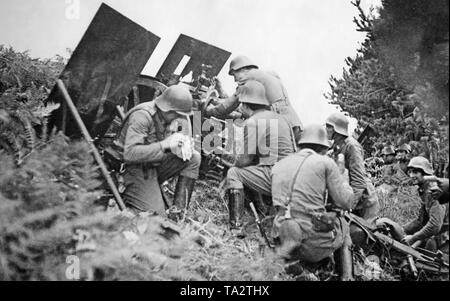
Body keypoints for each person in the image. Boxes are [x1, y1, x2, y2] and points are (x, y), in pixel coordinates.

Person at [271, 124, 354, 278]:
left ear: (300, 144)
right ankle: (347, 276)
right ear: (324, 148)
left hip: (281, 237)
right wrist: (343, 177)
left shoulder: (279, 164)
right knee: (343, 224)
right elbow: (346, 202)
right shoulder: (325, 163)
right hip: (310, 243)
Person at [116, 85, 201, 221]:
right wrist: (166, 145)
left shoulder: (165, 117)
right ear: (168, 110)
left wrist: (180, 146)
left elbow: (159, 144)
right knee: (157, 220)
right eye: (178, 114)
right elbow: (130, 154)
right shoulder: (142, 116)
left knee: (194, 158)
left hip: (152, 166)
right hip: (133, 171)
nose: (180, 118)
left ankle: (178, 213)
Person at [225, 80, 296, 235]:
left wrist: (231, 162)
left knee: (234, 173)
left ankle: (235, 227)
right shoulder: (281, 119)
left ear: (244, 104)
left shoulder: (252, 122)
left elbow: (243, 161)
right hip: (294, 177)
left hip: (277, 178)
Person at [204, 55, 303, 144]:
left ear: (242, 69)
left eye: (234, 75)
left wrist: (208, 111)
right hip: (293, 124)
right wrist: (221, 91)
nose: (235, 79)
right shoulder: (265, 77)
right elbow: (243, 107)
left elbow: (229, 106)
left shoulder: (249, 79)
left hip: (277, 128)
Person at [325, 112, 380, 222]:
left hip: (365, 203)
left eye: (328, 126)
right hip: (353, 198)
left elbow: (359, 182)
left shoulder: (352, 146)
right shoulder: (337, 147)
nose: (326, 129)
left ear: (336, 129)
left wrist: (348, 206)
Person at [401, 156, 449, 252]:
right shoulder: (424, 189)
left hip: (444, 236)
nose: (411, 175)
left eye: (415, 172)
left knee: (428, 257)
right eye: (410, 172)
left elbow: (435, 225)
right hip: (439, 233)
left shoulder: (434, 191)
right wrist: (403, 230)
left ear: (425, 173)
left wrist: (413, 238)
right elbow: (421, 220)